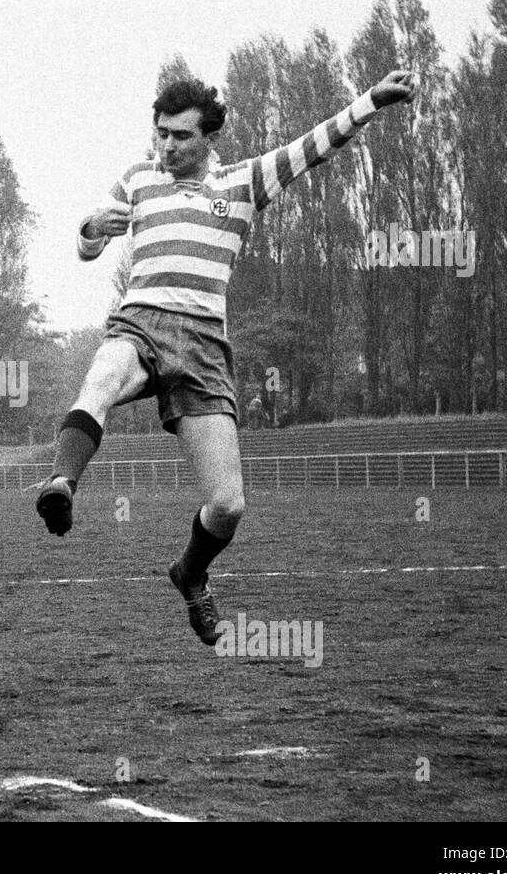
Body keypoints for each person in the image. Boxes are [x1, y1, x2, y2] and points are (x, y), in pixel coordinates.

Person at [36, 69, 419, 643]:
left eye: (181, 136)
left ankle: (190, 573)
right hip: (140, 319)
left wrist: (371, 101)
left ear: (209, 138)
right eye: (161, 133)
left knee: (228, 505)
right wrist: (92, 227)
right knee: (101, 378)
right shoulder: (139, 178)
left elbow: (313, 146)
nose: (166, 146)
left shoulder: (243, 183)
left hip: (204, 345)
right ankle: (62, 484)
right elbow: (88, 248)